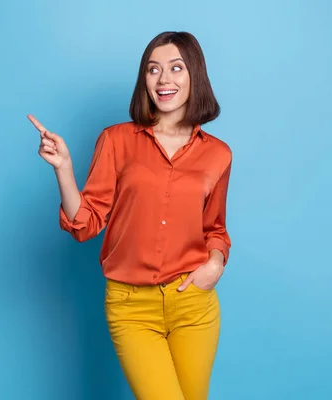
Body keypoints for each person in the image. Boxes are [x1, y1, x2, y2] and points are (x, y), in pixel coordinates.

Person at [27, 31, 232, 400]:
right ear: (144, 80)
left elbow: (215, 228)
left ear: (194, 76)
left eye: (175, 68)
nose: (164, 79)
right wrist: (63, 168)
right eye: (153, 70)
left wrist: (214, 265)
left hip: (193, 303)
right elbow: (85, 223)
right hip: (131, 307)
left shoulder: (218, 154)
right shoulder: (116, 140)